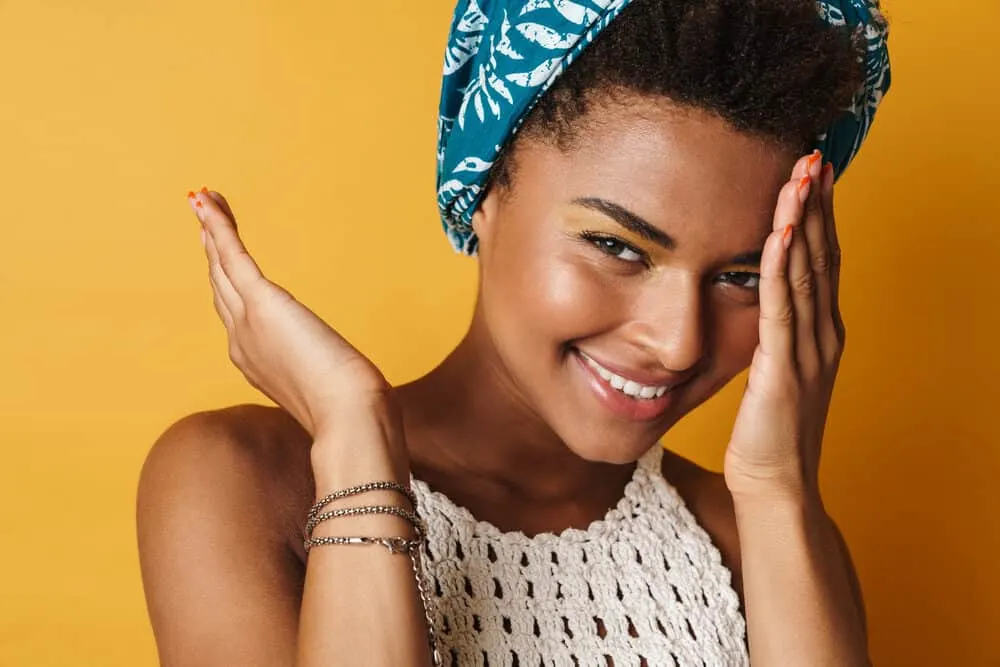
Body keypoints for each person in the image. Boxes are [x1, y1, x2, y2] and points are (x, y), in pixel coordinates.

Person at [137, 0, 891, 664]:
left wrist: (778, 488)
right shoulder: (245, 480)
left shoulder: (758, 532)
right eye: (618, 247)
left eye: (742, 275)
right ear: (485, 187)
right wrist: (355, 436)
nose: (678, 342)